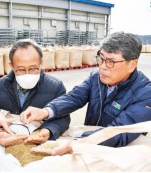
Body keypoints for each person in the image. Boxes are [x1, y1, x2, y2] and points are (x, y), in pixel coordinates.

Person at [20, 32, 151, 154]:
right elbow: (75, 97)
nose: (103, 66)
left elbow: (119, 133)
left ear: (132, 64)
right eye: (101, 58)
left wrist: (75, 144)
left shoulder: (145, 93)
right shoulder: (97, 77)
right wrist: (46, 111)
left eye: (111, 61)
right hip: (88, 144)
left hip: (118, 154)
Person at [0, 39, 70, 144]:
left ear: (41, 63)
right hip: (6, 143)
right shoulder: (0, 86)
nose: (27, 75)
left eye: (33, 69)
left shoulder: (55, 87)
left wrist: (48, 131)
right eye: (21, 69)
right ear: (12, 66)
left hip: (37, 144)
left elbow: (63, 119)